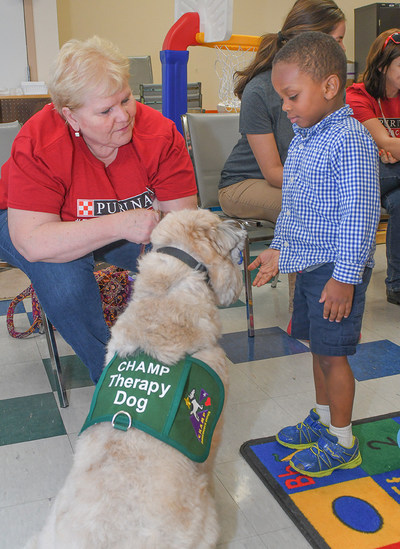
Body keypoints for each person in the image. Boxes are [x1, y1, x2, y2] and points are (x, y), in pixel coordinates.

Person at [0, 36, 197, 383]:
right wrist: (121, 222)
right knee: (67, 285)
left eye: (125, 99)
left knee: (187, 268)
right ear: (71, 117)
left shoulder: (159, 134)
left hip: (118, 223)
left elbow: (183, 229)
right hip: (29, 221)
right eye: (106, 111)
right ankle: (113, 379)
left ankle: (169, 364)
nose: (123, 116)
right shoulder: (39, 142)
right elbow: (33, 241)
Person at [249, 32, 381, 477]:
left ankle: (343, 441)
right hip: (309, 267)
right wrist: (279, 250)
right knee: (317, 349)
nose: (285, 108)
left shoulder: (350, 140)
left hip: (335, 271)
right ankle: (324, 419)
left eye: (291, 97)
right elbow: (296, 205)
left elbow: (361, 216)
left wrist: (344, 278)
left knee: (334, 355)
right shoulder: (307, 135)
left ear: (328, 87)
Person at [218, 0, 346, 224]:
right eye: (338, 41)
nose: (343, 49)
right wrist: (327, 184)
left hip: (299, 179)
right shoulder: (260, 90)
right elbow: (274, 172)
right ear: (313, 42)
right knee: (316, 207)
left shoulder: (327, 87)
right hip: (244, 184)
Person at [346, 29, 400, 306]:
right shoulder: (356, 96)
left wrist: (393, 149)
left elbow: (392, 147)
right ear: (382, 65)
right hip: (362, 180)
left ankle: (397, 286)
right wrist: (390, 147)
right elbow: (383, 142)